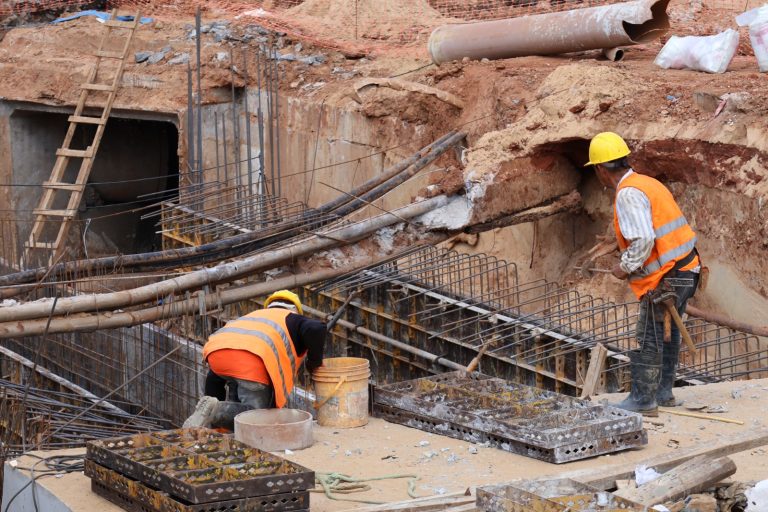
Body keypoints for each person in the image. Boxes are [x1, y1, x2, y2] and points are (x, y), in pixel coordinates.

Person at [586, 132, 700, 417]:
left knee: (649, 333)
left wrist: (624, 267)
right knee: (669, 332)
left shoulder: (627, 194)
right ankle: (663, 394)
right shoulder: (647, 183)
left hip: (667, 275)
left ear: (601, 169)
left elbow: (643, 240)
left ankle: (643, 399)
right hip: (687, 268)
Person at [183, 289, 326, 429]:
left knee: (228, 406)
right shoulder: (293, 318)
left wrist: (213, 416)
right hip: (252, 363)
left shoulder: (252, 316)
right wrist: (314, 363)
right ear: (295, 309)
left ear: (269, 306)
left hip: (216, 354)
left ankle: (217, 417)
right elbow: (316, 328)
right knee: (256, 421)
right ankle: (217, 411)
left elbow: (216, 377)